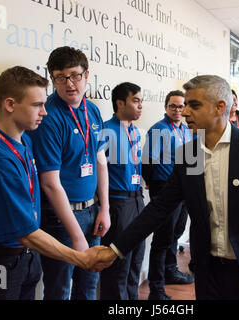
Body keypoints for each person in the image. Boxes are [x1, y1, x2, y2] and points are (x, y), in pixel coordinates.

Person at [91, 75, 239, 300]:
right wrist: (115, 249)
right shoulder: (190, 154)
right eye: (185, 105)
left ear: (220, 107)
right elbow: (159, 208)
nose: (185, 112)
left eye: (194, 105)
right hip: (210, 276)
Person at [0, 66, 109, 300]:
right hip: (2, 262)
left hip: (27, 258)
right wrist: (80, 257)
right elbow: (25, 233)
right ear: (10, 104)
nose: (44, 112)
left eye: (44, 103)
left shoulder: (25, 143)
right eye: (37, 105)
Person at [28, 47, 110, 300]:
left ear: (87, 75)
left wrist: (104, 208)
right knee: (60, 289)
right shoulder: (49, 117)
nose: (69, 83)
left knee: (88, 285)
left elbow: (100, 160)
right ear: (52, 80)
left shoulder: (92, 110)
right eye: (60, 77)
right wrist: (76, 235)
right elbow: (50, 183)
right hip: (61, 220)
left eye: (75, 75)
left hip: (92, 211)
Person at [142, 90, 194, 300]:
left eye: (181, 106)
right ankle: (156, 289)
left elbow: (193, 158)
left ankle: (170, 271)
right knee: (162, 239)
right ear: (165, 107)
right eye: (173, 106)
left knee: (176, 232)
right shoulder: (158, 130)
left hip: (184, 189)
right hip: (165, 189)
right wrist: (156, 191)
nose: (177, 110)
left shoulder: (187, 129)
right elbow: (147, 163)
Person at [98, 82, 146, 300]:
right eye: (135, 100)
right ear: (120, 103)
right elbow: (99, 169)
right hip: (118, 203)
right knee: (119, 265)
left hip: (137, 199)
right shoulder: (106, 131)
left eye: (141, 101)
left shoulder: (135, 131)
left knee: (136, 260)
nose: (140, 106)